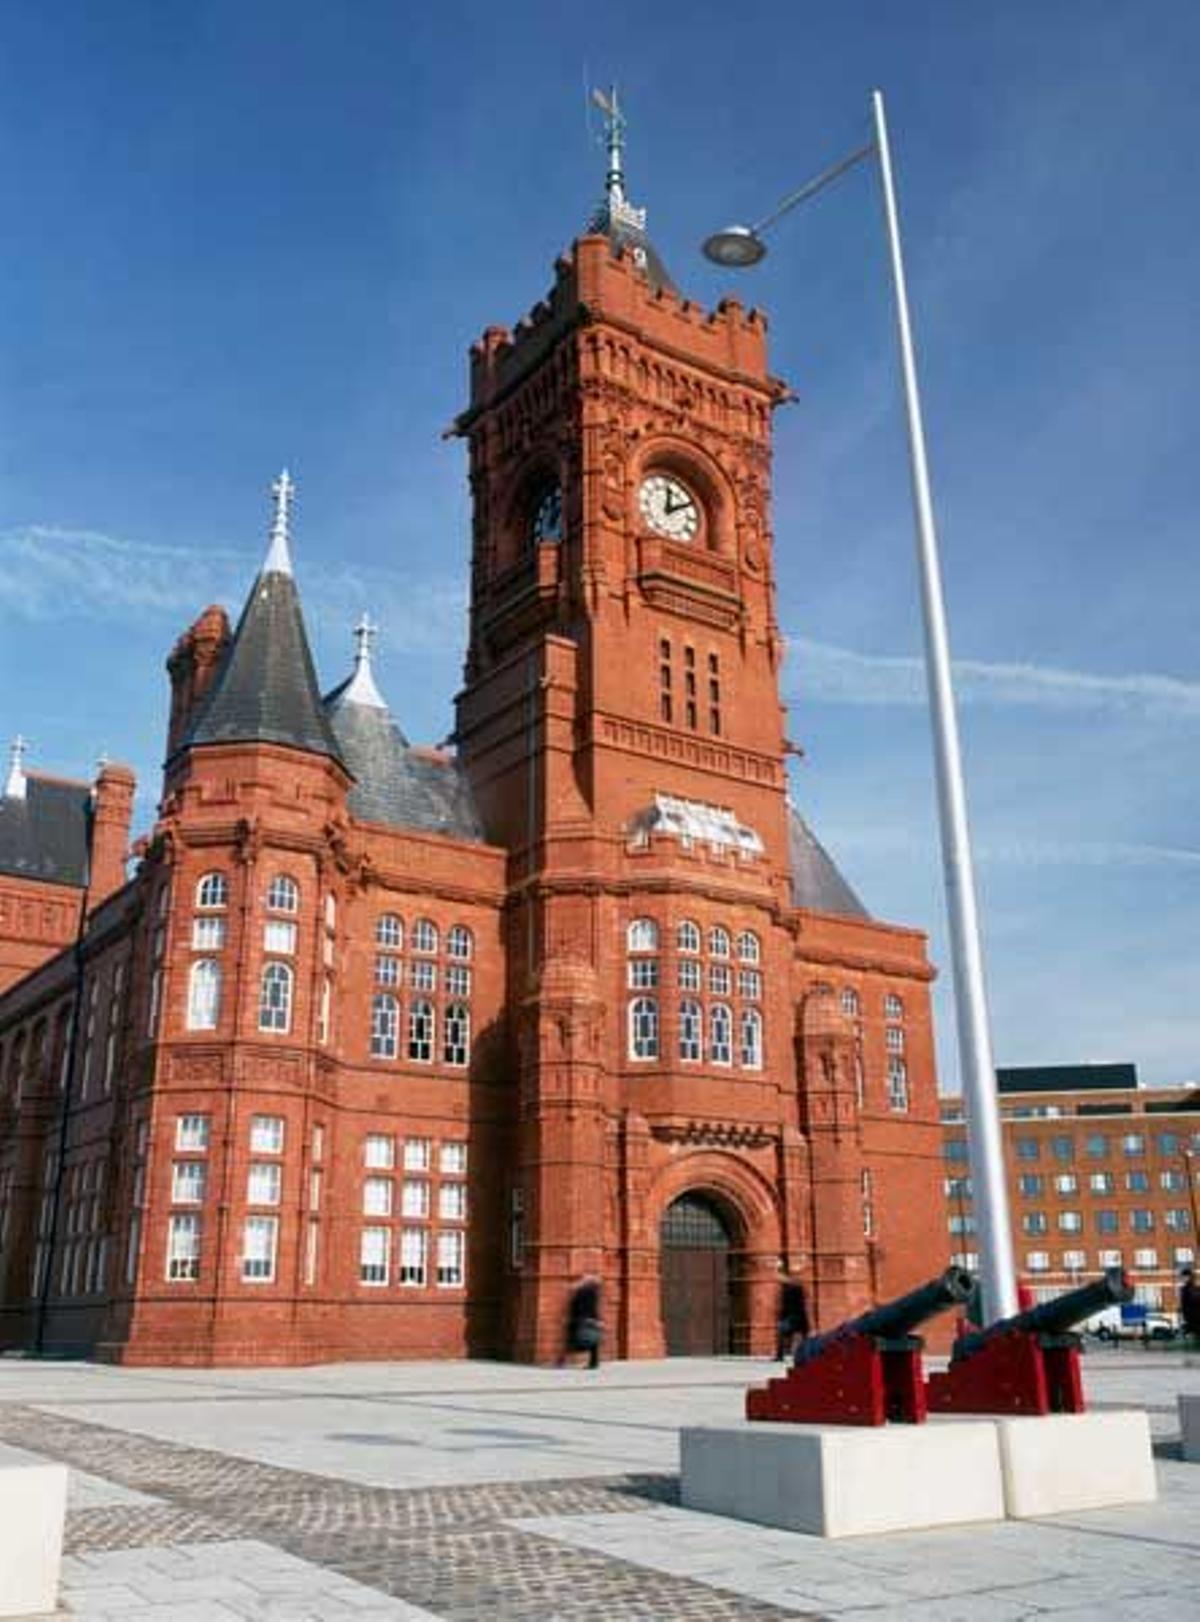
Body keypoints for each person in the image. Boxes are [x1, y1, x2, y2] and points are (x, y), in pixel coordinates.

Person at [560, 1275, 603, 1369]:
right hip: (587, 1318)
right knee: (592, 1340)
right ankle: (593, 1362)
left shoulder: (586, 1291)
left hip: (582, 1318)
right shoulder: (591, 1292)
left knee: (581, 1339)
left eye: (582, 1281)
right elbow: (593, 1307)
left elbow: (586, 1307)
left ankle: (567, 1360)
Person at [776, 1276, 811, 1361]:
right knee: (804, 1338)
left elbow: (785, 1307)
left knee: (782, 1336)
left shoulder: (787, 1293)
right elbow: (804, 1305)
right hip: (801, 1318)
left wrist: (781, 1317)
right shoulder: (800, 1292)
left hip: (790, 1318)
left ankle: (780, 1355)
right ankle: (805, 1355)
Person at [1179, 1267, 1200, 1343]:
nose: (1184, 1279)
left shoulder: (1194, 1288)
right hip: (1191, 1318)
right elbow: (1184, 1304)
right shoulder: (1185, 1289)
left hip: (1194, 1317)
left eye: (1186, 1277)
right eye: (1183, 1277)